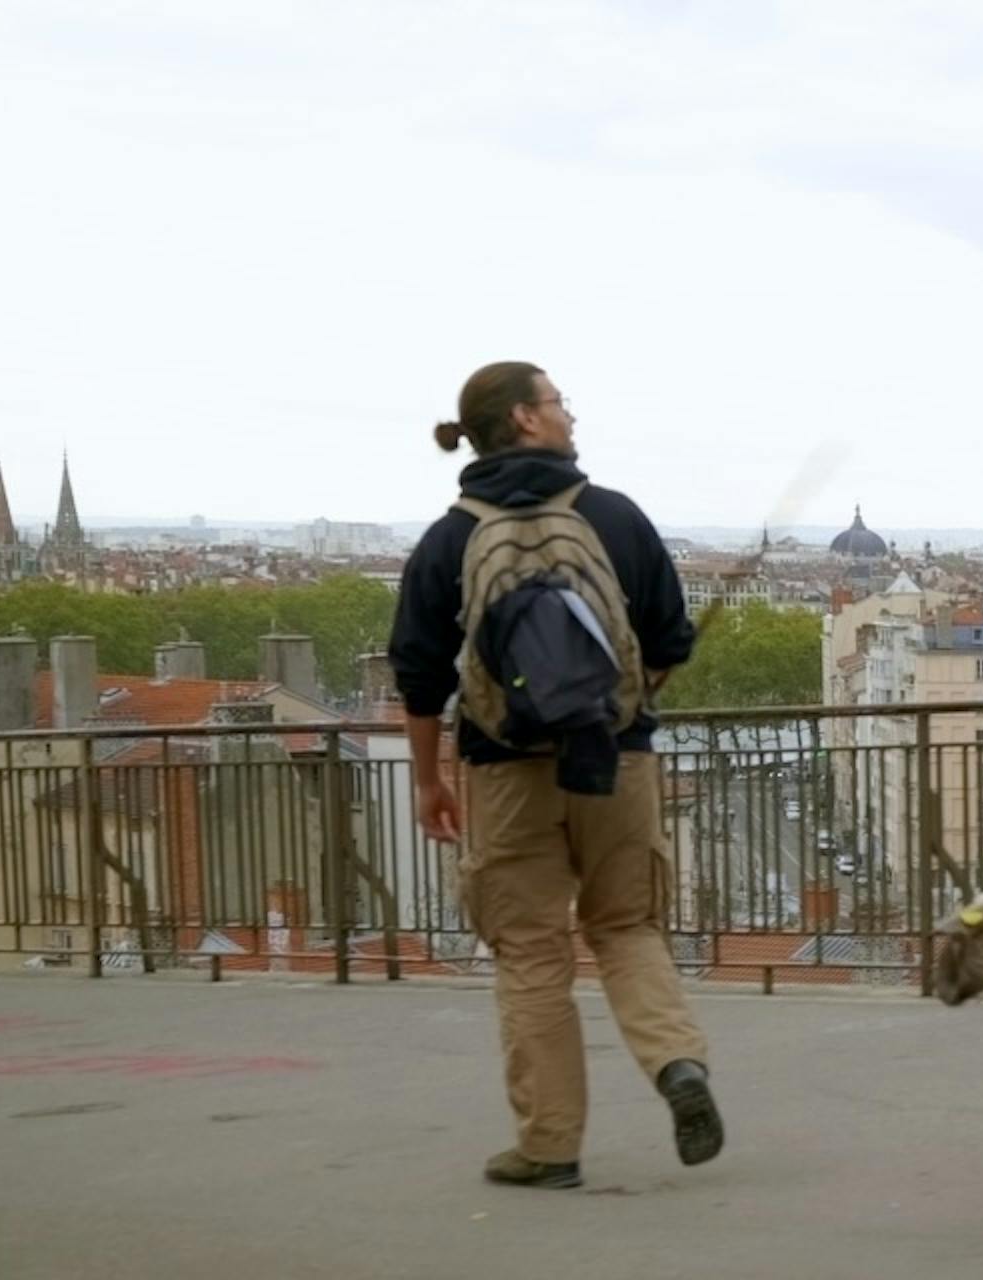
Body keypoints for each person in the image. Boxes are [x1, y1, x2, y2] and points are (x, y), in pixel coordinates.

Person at [389, 360, 724, 1189]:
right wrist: (630, 699)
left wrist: (428, 782)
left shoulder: (450, 537)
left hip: (505, 771)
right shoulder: (613, 517)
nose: (570, 414)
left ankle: (548, 1145)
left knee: (531, 952)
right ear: (525, 420)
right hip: (617, 759)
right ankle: (676, 1063)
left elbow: (419, 675)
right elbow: (670, 639)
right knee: (626, 926)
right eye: (558, 402)